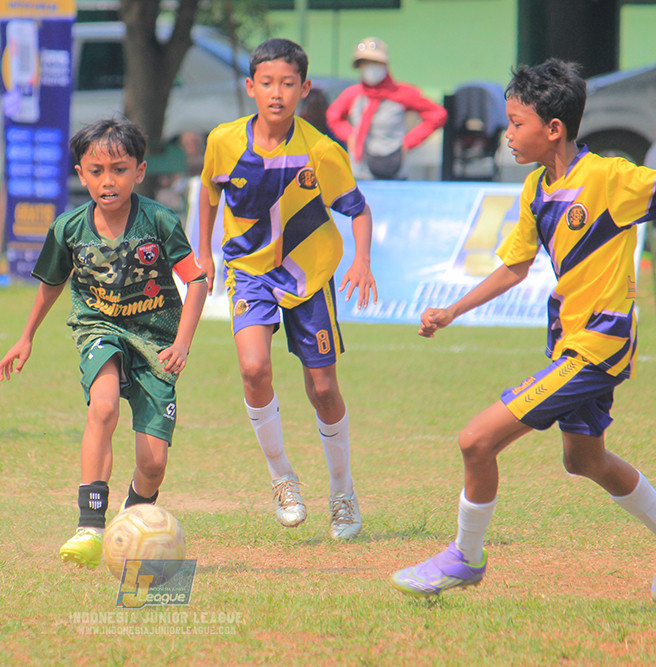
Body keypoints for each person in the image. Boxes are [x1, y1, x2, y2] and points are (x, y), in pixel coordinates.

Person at [391, 59, 656, 599]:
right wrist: (451, 310)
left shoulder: (609, 177)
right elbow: (515, 266)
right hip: (568, 341)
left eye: (515, 123)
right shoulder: (536, 188)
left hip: (598, 344)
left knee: (475, 440)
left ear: (553, 129)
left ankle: (464, 557)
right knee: (585, 460)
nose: (507, 134)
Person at [0, 119, 208, 569]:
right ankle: (90, 526)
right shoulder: (69, 228)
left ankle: (130, 522)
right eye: (96, 171)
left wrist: (183, 344)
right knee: (104, 407)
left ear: (140, 172)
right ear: (80, 173)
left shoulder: (160, 221)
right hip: (100, 329)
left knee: (152, 463)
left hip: (155, 340)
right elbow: (52, 283)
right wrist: (25, 336)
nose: (107, 181)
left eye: (119, 169)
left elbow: (198, 280)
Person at [197, 38, 377, 540]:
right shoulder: (224, 141)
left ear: (304, 88)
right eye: (267, 83)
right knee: (253, 368)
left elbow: (357, 209)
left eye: (288, 83)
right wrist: (203, 251)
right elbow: (208, 191)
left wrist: (361, 260)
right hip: (249, 274)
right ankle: (282, 478)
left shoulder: (321, 150)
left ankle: (341, 488)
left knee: (323, 389)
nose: (277, 93)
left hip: (309, 277)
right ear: (250, 87)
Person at [325, 37, 447, 180]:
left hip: (394, 167)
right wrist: (350, 136)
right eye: (365, 63)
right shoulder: (353, 94)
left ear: (384, 64)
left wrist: (409, 142)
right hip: (361, 170)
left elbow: (437, 114)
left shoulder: (401, 93)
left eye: (374, 63)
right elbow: (333, 117)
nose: (370, 68)